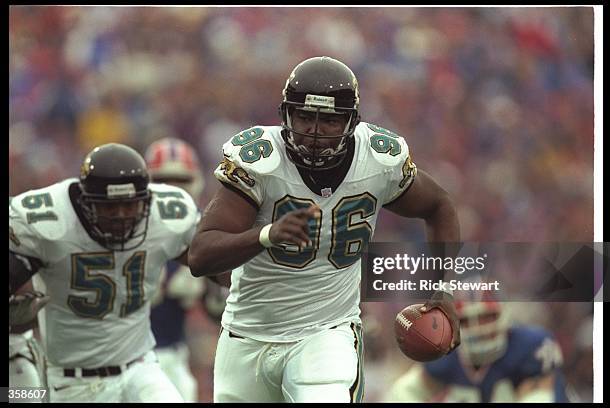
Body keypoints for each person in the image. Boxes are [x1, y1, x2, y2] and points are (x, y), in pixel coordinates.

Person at [188, 56, 461, 402]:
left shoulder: (378, 160)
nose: (315, 132)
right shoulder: (260, 161)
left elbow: (439, 205)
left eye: (330, 121)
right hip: (247, 335)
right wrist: (266, 235)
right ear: (286, 114)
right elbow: (201, 254)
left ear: (351, 121)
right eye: (304, 116)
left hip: (326, 333)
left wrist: (444, 287)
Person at [9, 143, 200, 402]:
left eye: (129, 206)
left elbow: (214, 264)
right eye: (110, 208)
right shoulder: (48, 221)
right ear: (86, 204)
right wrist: (17, 326)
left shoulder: (166, 214)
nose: (121, 216)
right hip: (71, 382)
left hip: (141, 366)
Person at [144, 137, 228, 402]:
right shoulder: (132, 228)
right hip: (129, 357)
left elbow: (218, 310)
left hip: (174, 354)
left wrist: (215, 287)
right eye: (162, 181)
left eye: (180, 181)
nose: (171, 189)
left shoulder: (201, 231)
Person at [384, 300, 569, 402]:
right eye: (467, 320)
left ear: (504, 314)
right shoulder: (444, 354)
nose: (479, 328)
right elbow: (402, 394)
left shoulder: (529, 346)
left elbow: (542, 396)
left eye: (487, 317)